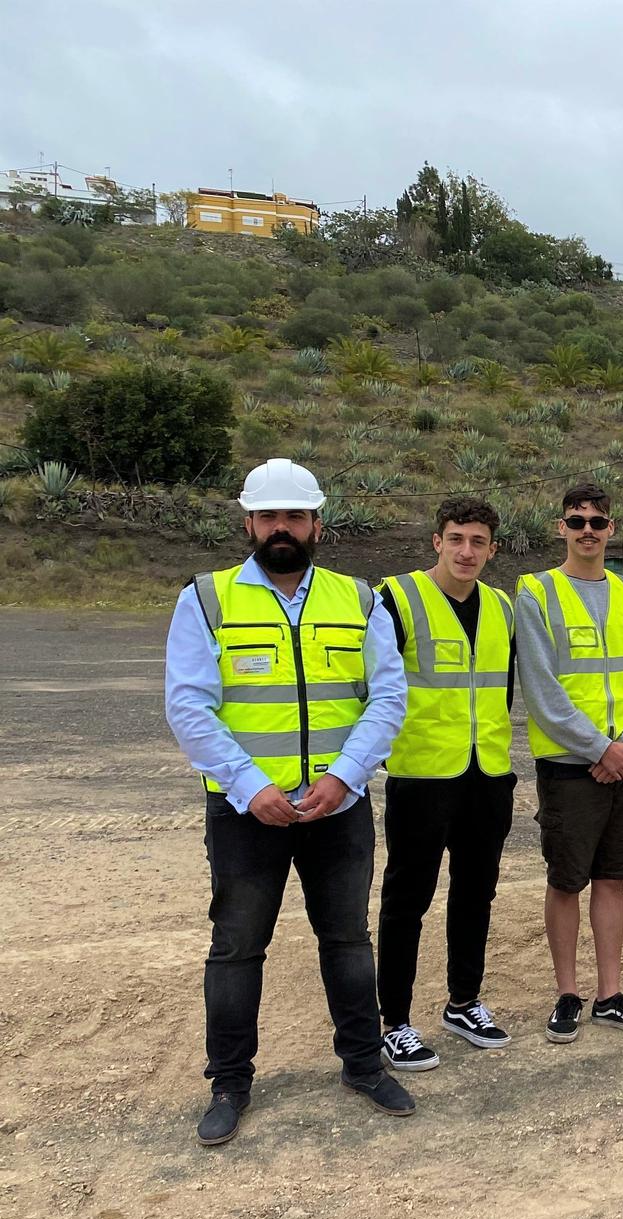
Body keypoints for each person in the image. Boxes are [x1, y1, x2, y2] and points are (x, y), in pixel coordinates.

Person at [164, 459, 411, 1146]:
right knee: (239, 947)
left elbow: (387, 696)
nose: (282, 528)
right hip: (247, 813)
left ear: (316, 525)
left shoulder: (358, 600)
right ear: (248, 523)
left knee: (348, 941)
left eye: (295, 516)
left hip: (339, 807)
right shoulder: (207, 600)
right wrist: (251, 788)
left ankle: (363, 1065)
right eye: (269, 516)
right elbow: (189, 706)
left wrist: (347, 774)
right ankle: (230, 1083)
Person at [516, 481, 623, 1043]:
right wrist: (598, 748)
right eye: (575, 521)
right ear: (561, 528)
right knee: (566, 881)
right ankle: (567, 994)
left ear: (611, 529)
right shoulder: (535, 594)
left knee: (611, 880)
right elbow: (541, 687)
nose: (586, 531)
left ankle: (609, 994)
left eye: (596, 522)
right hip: (572, 766)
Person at [374, 497, 517, 1071]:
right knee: (407, 900)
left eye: (478, 541)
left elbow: (502, 687)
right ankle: (395, 1021)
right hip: (421, 775)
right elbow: (379, 685)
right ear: (437, 541)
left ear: (492, 549)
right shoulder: (395, 597)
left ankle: (463, 1002)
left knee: (475, 894)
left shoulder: (503, 607)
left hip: (487, 775)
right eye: (456, 538)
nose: (466, 551)